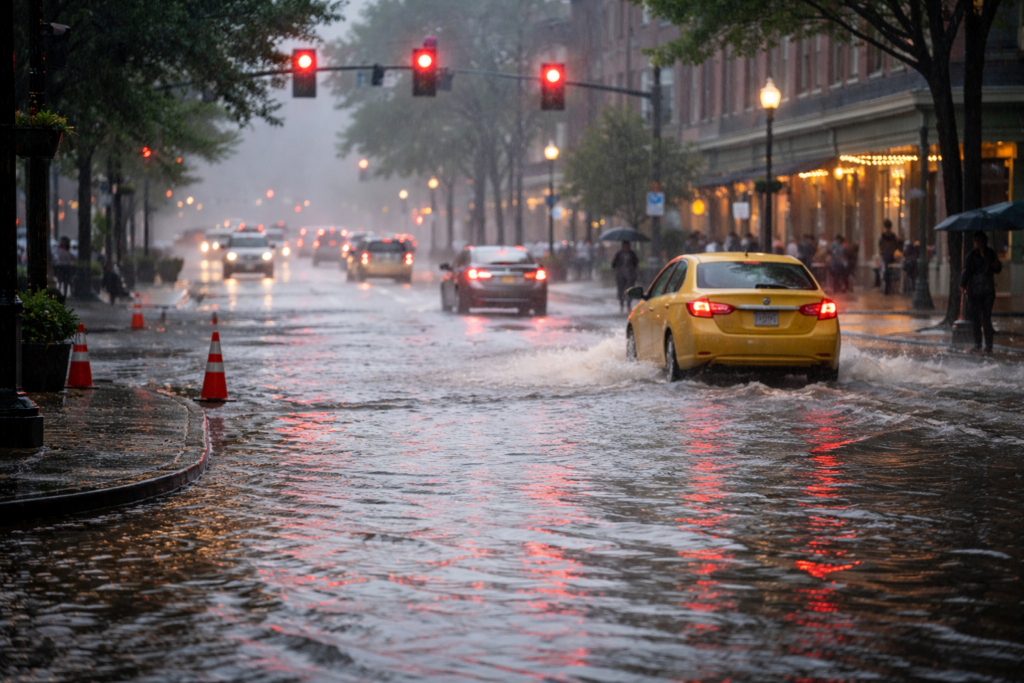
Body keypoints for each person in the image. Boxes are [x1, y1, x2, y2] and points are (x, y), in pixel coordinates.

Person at [960, 230, 1002, 353]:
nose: (979, 243)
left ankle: (988, 345)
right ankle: (978, 344)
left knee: (986, 318)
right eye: (978, 241)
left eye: (981, 241)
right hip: (975, 290)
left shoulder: (991, 253)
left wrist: (996, 265)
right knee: (976, 318)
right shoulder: (971, 255)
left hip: (988, 290)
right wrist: (963, 284)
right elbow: (966, 270)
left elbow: (997, 269)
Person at [611, 240, 640, 313]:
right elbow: (614, 264)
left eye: (627, 245)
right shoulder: (619, 254)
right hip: (621, 274)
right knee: (621, 289)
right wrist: (616, 270)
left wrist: (635, 271)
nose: (626, 246)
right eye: (625, 245)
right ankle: (621, 303)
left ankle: (628, 303)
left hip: (630, 274)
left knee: (630, 289)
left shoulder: (632, 254)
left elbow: (636, 263)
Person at [878, 219, 900, 294]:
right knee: (884, 269)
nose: (887, 230)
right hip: (885, 257)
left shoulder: (893, 237)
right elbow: (880, 245)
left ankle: (888, 283)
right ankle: (886, 284)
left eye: (888, 228)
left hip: (891, 256)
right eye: (886, 228)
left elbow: (897, 246)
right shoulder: (882, 237)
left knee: (888, 269)